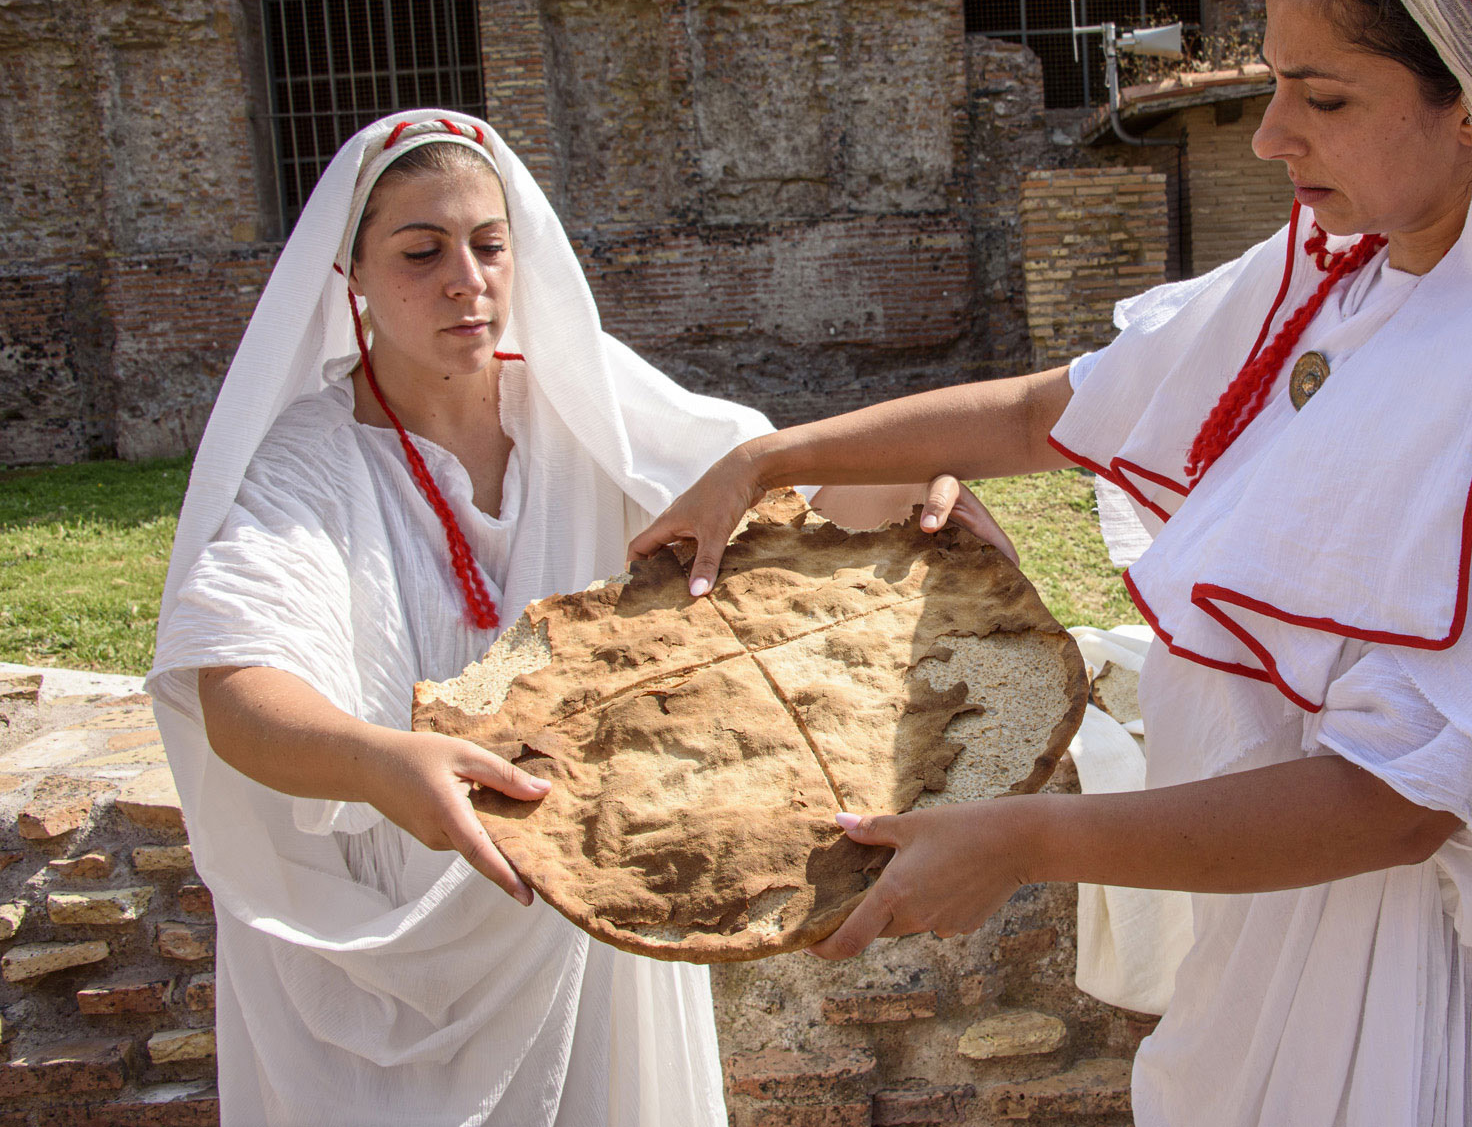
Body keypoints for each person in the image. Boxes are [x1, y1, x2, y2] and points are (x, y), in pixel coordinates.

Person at [635, 0, 1472, 1127]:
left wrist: (1025, 840)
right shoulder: (1333, 274)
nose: (1272, 135)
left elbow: (1396, 804)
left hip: (1444, 1015)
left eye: (1323, 99)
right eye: (1276, 85)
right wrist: (774, 455)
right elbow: (1062, 407)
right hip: (1291, 963)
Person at [146, 112, 1005, 1126]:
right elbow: (237, 687)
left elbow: (785, 489)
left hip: (593, 919)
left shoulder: (590, 411)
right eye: (421, 253)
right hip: (400, 936)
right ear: (355, 280)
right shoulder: (309, 464)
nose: (466, 279)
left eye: (489, 245)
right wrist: (381, 763)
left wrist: (912, 478)